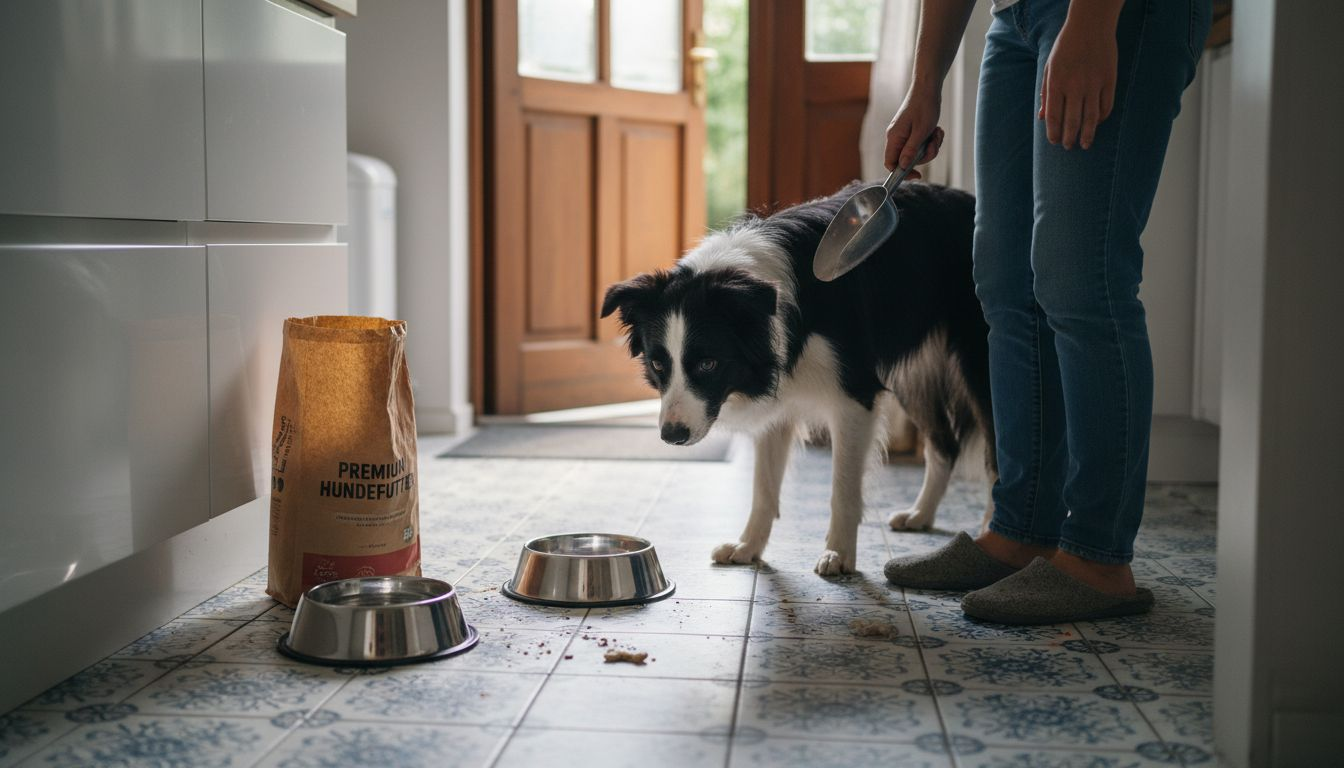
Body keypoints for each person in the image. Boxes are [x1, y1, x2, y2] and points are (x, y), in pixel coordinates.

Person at [882, 0, 1211, 624]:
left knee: (1082, 281)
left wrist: (1090, 25)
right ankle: (1020, 530)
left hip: (1113, 13)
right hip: (1016, 19)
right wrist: (924, 83)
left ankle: (1097, 556)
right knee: (1006, 286)